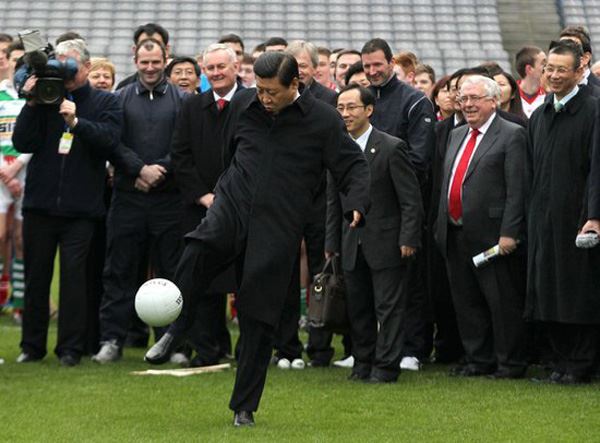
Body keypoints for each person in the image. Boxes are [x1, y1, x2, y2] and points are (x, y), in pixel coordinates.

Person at [144, 52, 370, 426]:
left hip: (278, 223)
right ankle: (175, 330)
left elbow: (352, 165)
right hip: (233, 200)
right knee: (201, 245)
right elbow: (227, 150)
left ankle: (244, 406)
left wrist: (356, 204)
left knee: (257, 313)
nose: (263, 98)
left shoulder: (323, 120)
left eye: (271, 92)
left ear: (295, 85)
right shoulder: (246, 103)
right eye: (260, 91)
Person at [13, 38, 122, 366]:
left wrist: (77, 123)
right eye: (58, 63)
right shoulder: (45, 98)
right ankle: (31, 347)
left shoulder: (105, 101)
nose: (63, 71)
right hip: (40, 206)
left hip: (81, 210)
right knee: (36, 278)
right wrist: (31, 103)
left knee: (75, 281)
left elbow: (109, 141)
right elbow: (22, 142)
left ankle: (71, 348)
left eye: (70, 64)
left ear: (87, 67)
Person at [93, 38, 185, 363]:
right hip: (128, 197)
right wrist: (138, 169)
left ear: (165, 59)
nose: (149, 68)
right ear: (135, 59)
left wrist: (161, 169)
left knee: (170, 270)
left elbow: (185, 145)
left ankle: (169, 342)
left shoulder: (182, 99)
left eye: (155, 62)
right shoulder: (118, 98)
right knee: (118, 270)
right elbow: (111, 141)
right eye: (144, 62)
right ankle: (112, 340)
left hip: (168, 200)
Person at [327, 84, 422, 382]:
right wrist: (331, 242)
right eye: (340, 108)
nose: (345, 113)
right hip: (351, 243)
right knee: (359, 308)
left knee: (389, 308)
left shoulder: (392, 147)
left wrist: (408, 238)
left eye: (352, 107)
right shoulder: (338, 150)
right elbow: (333, 202)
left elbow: (410, 199)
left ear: (369, 110)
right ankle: (362, 362)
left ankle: (386, 366)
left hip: (387, 242)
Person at [435, 75, 528, 378]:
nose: (468, 104)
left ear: (494, 101)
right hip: (454, 231)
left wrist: (510, 232)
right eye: (463, 99)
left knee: (501, 302)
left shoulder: (512, 134)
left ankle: (509, 363)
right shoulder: (456, 134)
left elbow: (518, 189)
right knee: (466, 301)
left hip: (493, 235)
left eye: (475, 98)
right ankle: (478, 359)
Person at [525, 40, 600, 384]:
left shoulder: (594, 110)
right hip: (543, 218)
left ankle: (581, 364)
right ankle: (559, 362)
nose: (553, 76)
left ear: (579, 71)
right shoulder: (540, 115)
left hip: (578, 217)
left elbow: (597, 170)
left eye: (561, 70)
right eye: (549, 69)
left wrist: (594, 216)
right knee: (547, 289)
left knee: (578, 291)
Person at [362, 38, 436, 370]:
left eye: (378, 64)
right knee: (370, 281)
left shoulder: (415, 102)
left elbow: (420, 160)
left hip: (402, 204)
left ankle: (413, 348)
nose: (373, 71)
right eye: (367, 66)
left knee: (409, 279)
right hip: (365, 206)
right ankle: (375, 346)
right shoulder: (363, 100)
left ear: (391, 62)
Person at [171, 43, 244, 367]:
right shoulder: (191, 106)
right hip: (199, 207)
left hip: (242, 208)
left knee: (244, 280)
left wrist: (230, 198)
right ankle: (207, 349)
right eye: (210, 69)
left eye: (221, 67)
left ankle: (246, 350)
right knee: (201, 279)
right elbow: (180, 155)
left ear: (236, 67)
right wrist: (203, 195)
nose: (215, 73)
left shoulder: (252, 103)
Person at [0, 41, 28, 312]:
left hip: (26, 174)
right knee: (0, 235)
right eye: (15, 61)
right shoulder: (0, 94)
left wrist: (18, 165)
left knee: (21, 238)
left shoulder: (32, 95)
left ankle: (20, 303)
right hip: (2, 175)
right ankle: (2, 293)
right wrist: (6, 172)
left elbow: (36, 138)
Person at [115, 23, 170, 90]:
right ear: (135, 50)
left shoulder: (178, 89)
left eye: (156, 43)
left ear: (166, 50)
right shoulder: (123, 89)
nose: (150, 48)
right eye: (144, 43)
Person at [515, 46, 546, 117]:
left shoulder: (550, 95)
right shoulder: (511, 95)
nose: (548, 67)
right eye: (543, 64)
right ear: (529, 69)